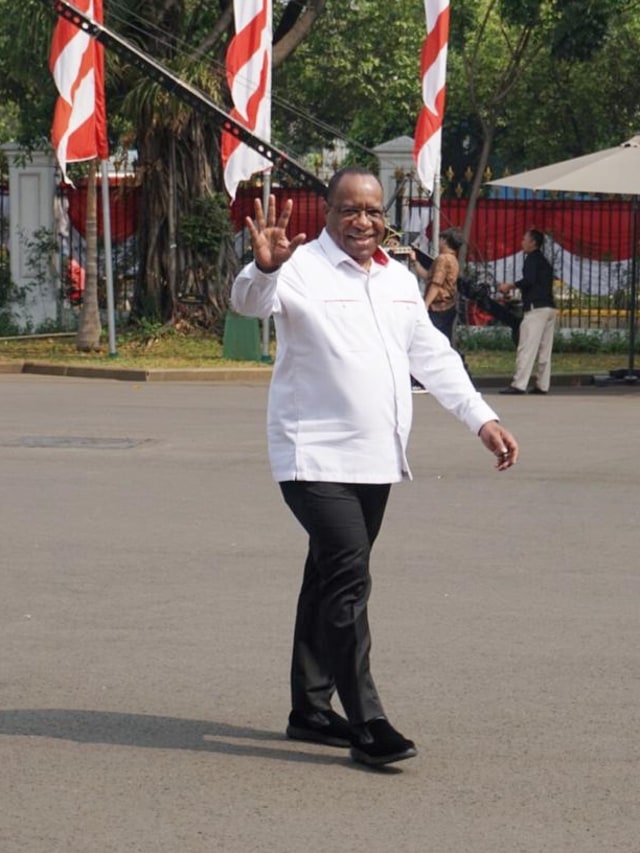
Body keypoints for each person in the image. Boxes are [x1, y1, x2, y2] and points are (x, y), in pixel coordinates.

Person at [231, 166, 519, 768]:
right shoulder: (300, 266)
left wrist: (482, 419)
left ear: (384, 215)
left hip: (375, 458)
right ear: (327, 213)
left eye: (373, 210)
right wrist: (265, 267)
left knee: (329, 578)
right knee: (349, 580)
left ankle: (309, 710)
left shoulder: (394, 279)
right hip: (312, 455)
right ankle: (367, 722)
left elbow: (431, 355)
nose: (363, 220)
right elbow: (250, 303)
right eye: (349, 210)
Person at [498, 229, 556, 394]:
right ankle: (542, 384)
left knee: (527, 347)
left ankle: (519, 384)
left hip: (535, 309)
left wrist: (509, 286)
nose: (522, 242)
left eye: (525, 240)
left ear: (533, 243)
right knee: (545, 349)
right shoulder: (544, 261)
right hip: (549, 307)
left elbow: (529, 281)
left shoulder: (531, 259)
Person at [423, 227, 465, 343]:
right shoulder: (453, 259)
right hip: (448, 306)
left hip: (438, 307)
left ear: (445, 241)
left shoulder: (443, 259)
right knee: (444, 339)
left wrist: (426, 304)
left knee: (433, 340)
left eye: (440, 239)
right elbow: (429, 278)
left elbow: (436, 284)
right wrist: (414, 262)